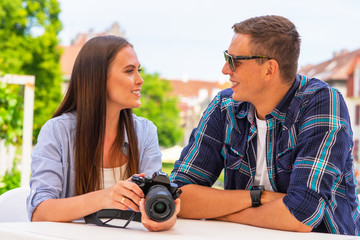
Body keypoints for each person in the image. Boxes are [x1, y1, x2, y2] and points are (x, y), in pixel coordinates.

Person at [170, 15, 360, 235]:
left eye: (234, 61)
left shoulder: (322, 102)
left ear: (269, 69)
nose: (225, 69)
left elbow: (299, 216)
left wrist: (217, 211)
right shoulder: (226, 106)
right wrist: (257, 197)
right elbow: (178, 194)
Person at [26, 35, 180, 232]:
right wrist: (105, 197)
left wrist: (166, 217)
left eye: (138, 70)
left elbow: (155, 206)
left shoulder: (145, 132)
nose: (140, 80)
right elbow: (39, 212)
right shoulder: (57, 132)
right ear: (98, 77)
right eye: (129, 71)